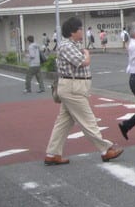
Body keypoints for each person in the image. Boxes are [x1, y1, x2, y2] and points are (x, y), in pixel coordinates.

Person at [44, 16, 123, 165]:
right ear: (72, 32)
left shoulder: (72, 45)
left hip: (74, 87)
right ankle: (106, 149)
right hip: (73, 88)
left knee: (63, 122)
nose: (82, 31)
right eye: (80, 29)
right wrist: (86, 54)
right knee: (88, 120)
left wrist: (83, 52)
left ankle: (52, 153)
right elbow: (83, 62)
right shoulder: (67, 46)